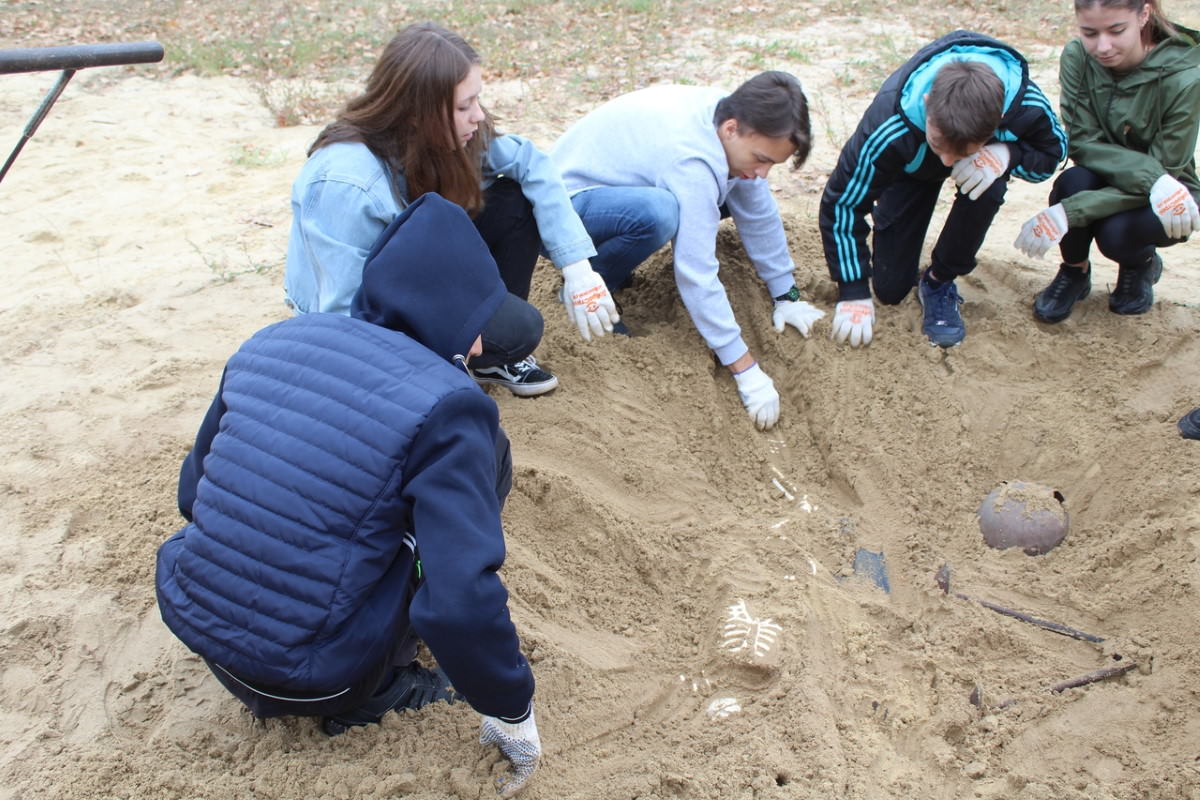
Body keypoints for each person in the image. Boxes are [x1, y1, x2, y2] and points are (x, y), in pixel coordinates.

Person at [157, 194, 542, 798]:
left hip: (198, 625)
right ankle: (384, 686)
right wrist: (511, 709)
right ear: (456, 318)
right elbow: (461, 596)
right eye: (476, 327)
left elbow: (192, 492)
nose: (476, 349)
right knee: (479, 472)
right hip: (317, 676)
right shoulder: (451, 407)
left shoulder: (271, 340)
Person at [283, 22, 618, 398]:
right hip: (370, 298)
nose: (477, 116)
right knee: (517, 330)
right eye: (464, 106)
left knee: (511, 199)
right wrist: (439, 337)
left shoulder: (452, 134)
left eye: (478, 100)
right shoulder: (345, 182)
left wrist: (577, 268)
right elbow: (343, 310)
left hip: (417, 267)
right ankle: (451, 359)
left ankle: (487, 358)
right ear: (416, 112)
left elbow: (530, 162)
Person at [550, 71, 824, 431]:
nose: (763, 173)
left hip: (617, 189)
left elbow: (759, 215)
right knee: (661, 214)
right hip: (561, 210)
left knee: (727, 193)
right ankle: (590, 284)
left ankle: (612, 257)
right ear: (731, 129)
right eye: (760, 159)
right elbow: (696, 274)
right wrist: (745, 370)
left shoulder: (738, 120)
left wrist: (786, 295)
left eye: (773, 164)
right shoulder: (692, 161)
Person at [820, 31, 1068, 348]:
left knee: (987, 185)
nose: (948, 161)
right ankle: (902, 220)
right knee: (890, 290)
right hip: (911, 167)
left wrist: (1007, 154)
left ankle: (939, 280)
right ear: (927, 105)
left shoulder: (1024, 106)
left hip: (982, 166)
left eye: (958, 153)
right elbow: (842, 203)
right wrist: (852, 289)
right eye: (940, 144)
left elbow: (1053, 154)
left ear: (998, 123)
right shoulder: (890, 124)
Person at [1015, 0, 1200, 323]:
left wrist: (1068, 214)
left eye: (1116, 31)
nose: (1102, 46)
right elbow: (1082, 142)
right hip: (1104, 174)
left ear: (1144, 14)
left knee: (1116, 235)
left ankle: (1139, 265)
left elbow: (1166, 168)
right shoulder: (1077, 57)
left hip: (1171, 190)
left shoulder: (1187, 76)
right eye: (1089, 32)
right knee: (1071, 184)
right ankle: (1074, 272)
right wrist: (1149, 177)